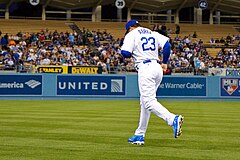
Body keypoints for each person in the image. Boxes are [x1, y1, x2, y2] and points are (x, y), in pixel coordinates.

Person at [121, 20, 184, 145]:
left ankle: (172, 119)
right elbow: (167, 46)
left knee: (149, 102)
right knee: (144, 102)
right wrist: (165, 62)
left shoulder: (131, 34)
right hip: (157, 68)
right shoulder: (152, 33)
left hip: (146, 68)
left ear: (130, 28)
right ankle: (139, 135)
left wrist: (127, 50)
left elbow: (126, 53)